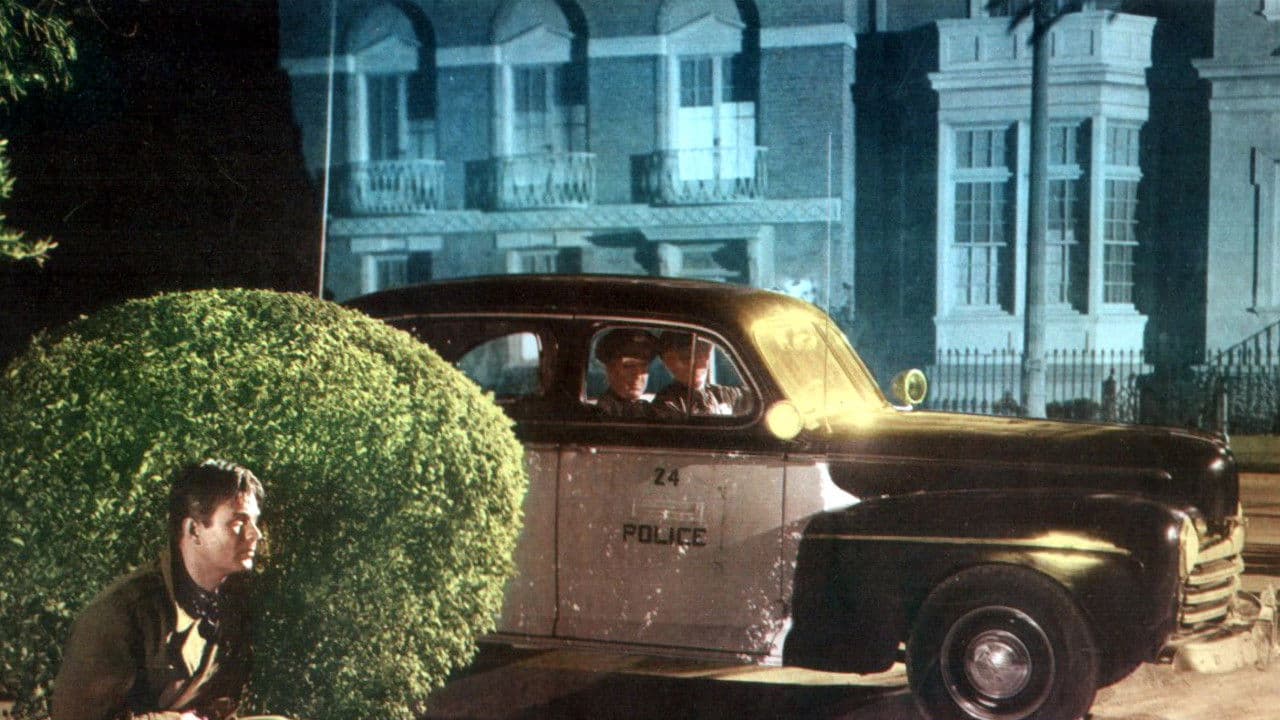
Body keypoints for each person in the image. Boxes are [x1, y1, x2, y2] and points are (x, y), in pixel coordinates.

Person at [52, 460, 265, 720]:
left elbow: (217, 707)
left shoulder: (228, 605)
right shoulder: (123, 613)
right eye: (239, 522)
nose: (256, 534)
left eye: (255, 521)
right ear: (194, 530)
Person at [653, 331, 751, 417]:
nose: (701, 359)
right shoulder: (668, 403)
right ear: (668, 364)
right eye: (687, 356)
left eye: (704, 350)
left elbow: (752, 397)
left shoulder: (720, 394)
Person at [592, 329, 660, 418]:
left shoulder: (645, 409)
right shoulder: (604, 414)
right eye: (629, 366)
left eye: (644, 366)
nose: (638, 375)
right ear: (610, 370)